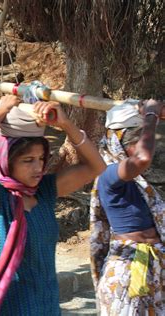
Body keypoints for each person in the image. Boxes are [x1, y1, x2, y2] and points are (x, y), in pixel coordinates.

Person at [0, 95, 106, 315]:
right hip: (12, 308)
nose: (38, 167)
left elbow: (97, 167)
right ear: (6, 160)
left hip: (47, 306)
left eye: (41, 159)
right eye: (28, 161)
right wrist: (0, 112)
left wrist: (66, 124)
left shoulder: (45, 191)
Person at [90, 99, 164, 315]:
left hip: (151, 268)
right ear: (121, 144)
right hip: (128, 271)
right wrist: (151, 115)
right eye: (138, 142)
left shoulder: (140, 185)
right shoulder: (109, 174)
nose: (142, 147)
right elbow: (143, 157)